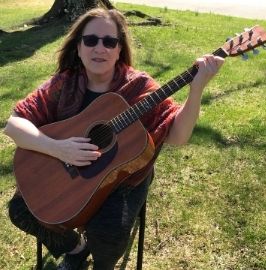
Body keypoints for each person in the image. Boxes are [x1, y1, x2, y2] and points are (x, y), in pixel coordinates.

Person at [4, 7, 224, 270]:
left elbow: (177, 136)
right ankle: (76, 249)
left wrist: (196, 89)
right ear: (78, 47)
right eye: (91, 40)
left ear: (119, 49)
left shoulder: (139, 87)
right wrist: (58, 148)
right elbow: (14, 125)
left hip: (124, 178)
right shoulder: (64, 84)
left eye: (110, 41)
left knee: (109, 231)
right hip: (65, 166)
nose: (100, 48)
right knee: (21, 210)